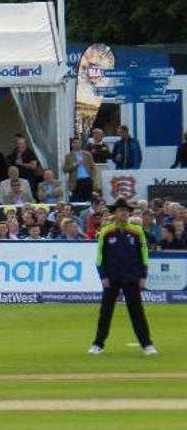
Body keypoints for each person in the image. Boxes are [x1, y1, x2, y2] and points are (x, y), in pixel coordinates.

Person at [89, 198, 157, 356]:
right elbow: (100, 257)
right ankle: (98, 344)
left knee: (137, 312)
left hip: (131, 277)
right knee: (106, 312)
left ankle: (147, 344)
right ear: (115, 213)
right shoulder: (106, 232)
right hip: (111, 278)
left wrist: (142, 275)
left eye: (126, 210)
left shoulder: (136, 231)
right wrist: (103, 276)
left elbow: (144, 254)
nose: (124, 213)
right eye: (121, 210)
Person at [63, 137, 94, 202]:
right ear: (72, 144)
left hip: (87, 179)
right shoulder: (68, 156)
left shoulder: (87, 155)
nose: (77, 144)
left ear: (81, 144)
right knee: (76, 200)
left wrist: (92, 178)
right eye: (75, 143)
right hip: (75, 181)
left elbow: (92, 167)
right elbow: (65, 169)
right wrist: (74, 164)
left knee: (88, 199)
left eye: (79, 143)